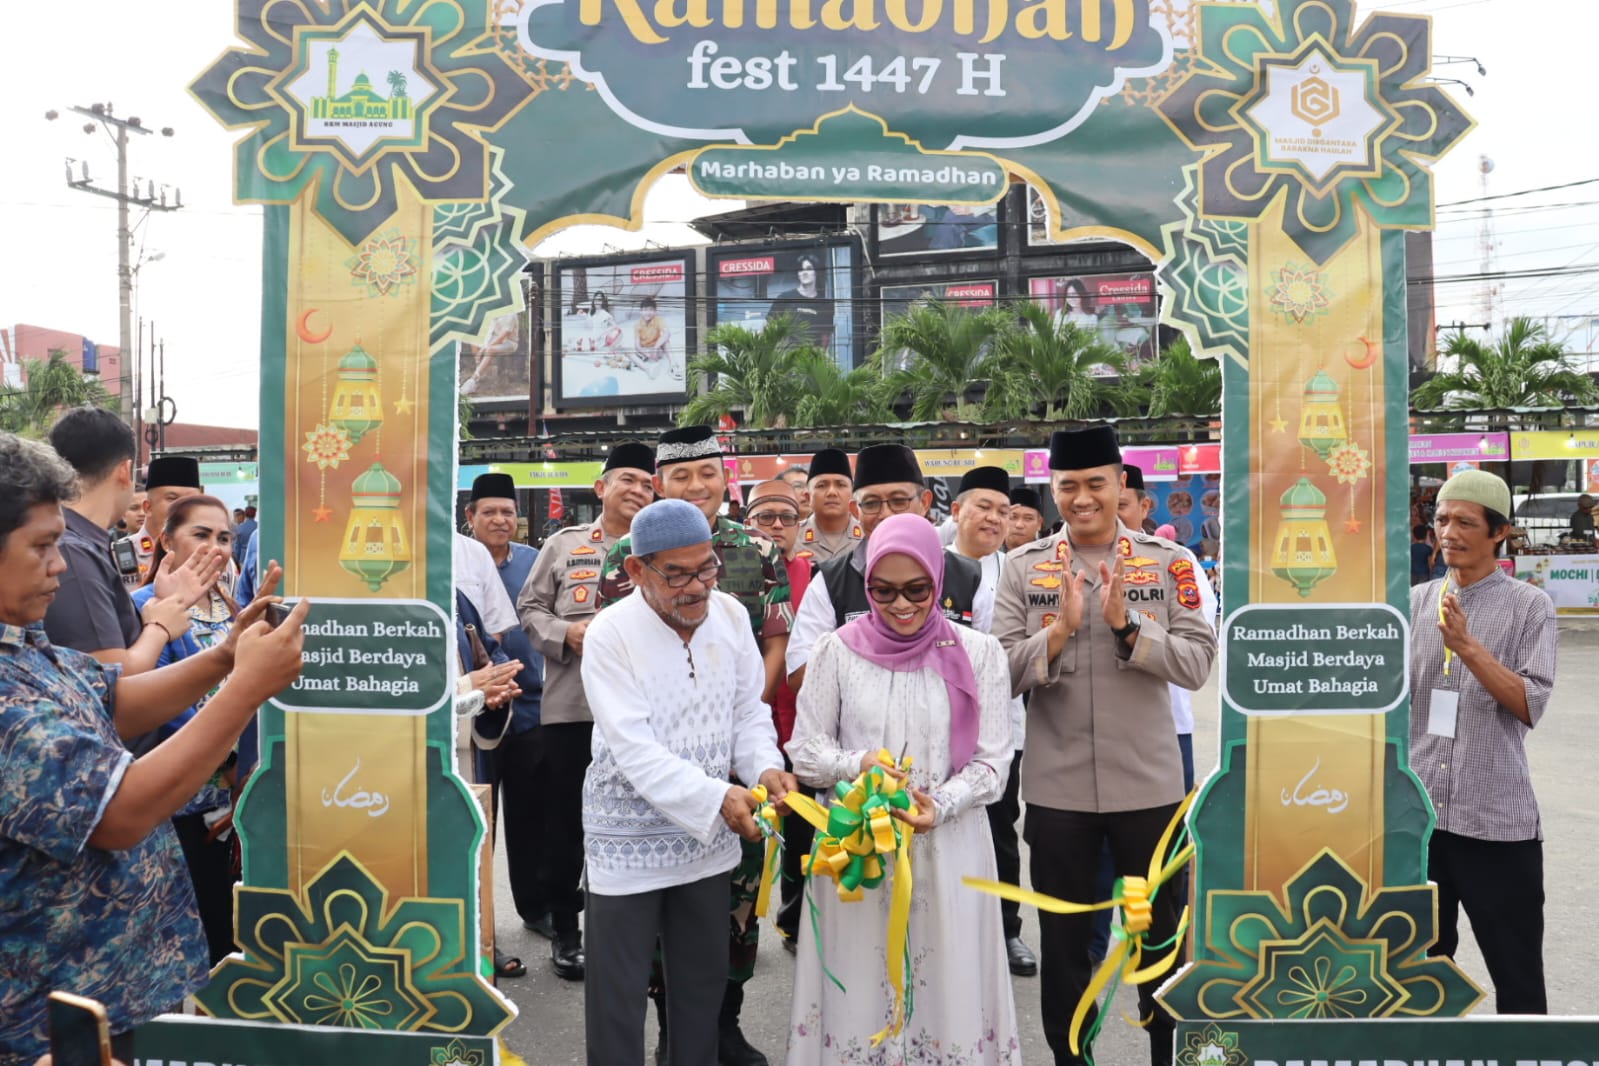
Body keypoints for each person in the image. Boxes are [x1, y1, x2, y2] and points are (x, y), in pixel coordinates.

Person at [0, 431, 309, 1065]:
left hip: (111, 996)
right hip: (52, 1025)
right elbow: (119, 814)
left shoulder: (22, 645)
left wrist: (226, 655)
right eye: (42, 547)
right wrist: (244, 688)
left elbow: (115, 698)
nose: (60, 564)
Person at [993, 426, 1218, 1066]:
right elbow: (1000, 672)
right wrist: (1058, 633)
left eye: (1097, 483)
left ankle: (1167, 1057)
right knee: (1064, 945)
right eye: (1069, 486)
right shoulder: (1025, 567)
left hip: (1149, 789)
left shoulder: (1168, 562)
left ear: (1122, 484)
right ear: (1053, 489)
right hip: (1058, 790)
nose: (1082, 498)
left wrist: (1127, 625)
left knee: (1162, 943)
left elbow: (1199, 662)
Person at [787, 514, 1020, 1062]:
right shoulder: (835, 650)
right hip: (859, 854)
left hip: (950, 847)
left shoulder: (980, 653)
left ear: (938, 581)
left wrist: (938, 804)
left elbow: (993, 764)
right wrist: (857, 765)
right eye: (883, 590)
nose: (900, 604)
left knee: (949, 972)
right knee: (860, 973)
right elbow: (804, 750)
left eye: (916, 589)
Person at [598, 426, 792, 1066]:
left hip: (709, 842)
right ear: (635, 570)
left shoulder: (732, 616)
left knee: (701, 992)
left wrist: (765, 765)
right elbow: (634, 749)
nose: (697, 587)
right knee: (619, 997)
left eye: (705, 568)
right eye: (676, 575)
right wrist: (720, 796)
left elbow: (746, 710)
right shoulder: (610, 635)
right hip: (628, 843)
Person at [1411, 469, 1557, 1015]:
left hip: (1496, 822)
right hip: (1419, 823)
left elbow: (1529, 704)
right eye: (1442, 519)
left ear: (1499, 532)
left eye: (1465, 522)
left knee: (1517, 978)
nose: (1449, 531)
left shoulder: (1529, 607)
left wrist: (1468, 647)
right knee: (1420, 977)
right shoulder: (1413, 603)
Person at [518, 443, 656, 979]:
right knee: (566, 823)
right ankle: (567, 931)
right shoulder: (564, 544)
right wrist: (565, 632)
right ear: (601, 488)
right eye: (627, 479)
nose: (638, 491)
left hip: (642, 711)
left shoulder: (661, 547)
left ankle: (631, 930)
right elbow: (529, 608)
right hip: (573, 708)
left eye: (647, 484)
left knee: (636, 819)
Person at [127, 495, 244, 965]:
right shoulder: (143, 606)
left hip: (233, 804)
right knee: (177, 944)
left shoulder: (238, 608)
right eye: (201, 535)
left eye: (224, 538)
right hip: (177, 800)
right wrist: (228, 760)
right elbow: (154, 699)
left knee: (227, 936)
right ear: (167, 540)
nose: (215, 548)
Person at [44, 410, 222, 687]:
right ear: (125, 471)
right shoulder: (74, 554)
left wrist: (155, 608)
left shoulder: (82, 543)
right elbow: (113, 680)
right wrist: (160, 626)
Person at [785, 444, 981, 691]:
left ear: (924, 503)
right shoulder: (830, 581)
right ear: (856, 511)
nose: (886, 514)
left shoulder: (970, 577)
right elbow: (799, 671)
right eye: (871, 504)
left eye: (899, 501)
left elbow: (993, 669)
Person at [948, 465, 1037, 977]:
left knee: (1000, 826)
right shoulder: (928, 562)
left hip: (999, 727)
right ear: (957, 510)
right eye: (984, 506)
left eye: (1005, 512)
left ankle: (1007, 931)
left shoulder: (1019, 570)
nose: (996, 518)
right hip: (933, 723)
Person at [463, 473, 549, 979]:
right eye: (488, 512)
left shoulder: (533, 561)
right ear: (470, 517)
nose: (499, 520)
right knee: (480, 819)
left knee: (531, 813)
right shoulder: (459, 558)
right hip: (475, 709)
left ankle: (534, 908)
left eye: (507, 512)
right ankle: (480, 922)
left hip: (532, 704)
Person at [741, 480, 817, 950]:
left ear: (798, 525)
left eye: (785, 518)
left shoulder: (816, 574)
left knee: (800, 820)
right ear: (746, 522)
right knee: (747, 820)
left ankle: (796, 915)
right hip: (747, 718)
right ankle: (739, 923)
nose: (775, 526)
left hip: (801, 719)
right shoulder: (727, 569)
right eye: (764, 517)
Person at [124, 456, 204, 590]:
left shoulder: (215, 556)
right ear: (148, 507)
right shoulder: (117, 556)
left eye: (191, 500)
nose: (183, 506)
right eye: (172, 498)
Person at [795, 448, 861, 563]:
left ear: (853, 494)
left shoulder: (868, 536)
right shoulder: (793, 537)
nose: (832, 492)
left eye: (841, 485)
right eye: (821, 485)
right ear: (808, 497)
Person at [769, 255, 834, 350]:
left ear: (816, 272)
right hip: (787, 359)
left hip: (811, 359)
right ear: (798, 274)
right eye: (801, 270)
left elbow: (825, 337)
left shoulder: (825, 305)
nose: (804, 273)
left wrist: (820, 357)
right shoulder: (785, 298)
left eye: (809, 269)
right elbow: (768, 327)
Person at [630, 296, 674, 379]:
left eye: (651, 309)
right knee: (631, 354)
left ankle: (673, 364)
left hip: (656, 347)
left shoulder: (658, 319)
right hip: (644, 349)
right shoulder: (637, 325)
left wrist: (656, 348)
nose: (648, 312)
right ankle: (648, 366)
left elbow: (667, 333)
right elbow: (637, 346)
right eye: (645, 310)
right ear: (641, 311)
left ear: (655, 311)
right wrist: (648, 355)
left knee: (666, 341)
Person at [1006, 486, 1046, 551]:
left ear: (1039, 523)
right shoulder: (987, 553)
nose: (1019, 525)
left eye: (1028, 519)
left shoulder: (1048, 557)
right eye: (1013, 517)